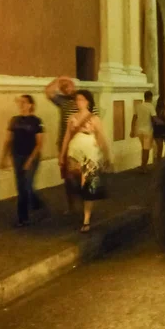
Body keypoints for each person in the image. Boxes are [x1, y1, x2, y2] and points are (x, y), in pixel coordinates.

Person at [59, 90, 110, 232]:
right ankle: (80, 206)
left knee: (88, 186)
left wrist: (106, 155)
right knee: (73, 182)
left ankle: (86, 219)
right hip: (74, 152)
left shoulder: (94, 119)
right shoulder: (72, 118)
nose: (78, 102)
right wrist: (62, 154)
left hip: (90, 153)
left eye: (81, 99)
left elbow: (101, 137)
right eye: (77, 100)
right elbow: (67, 137)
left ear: (87, 101)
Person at [46, 75, 98, 213]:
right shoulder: (62, 101)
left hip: (84, 146)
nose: (66, 89)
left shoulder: (85, 101)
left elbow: (96, 122)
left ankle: (84, 204)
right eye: (63, 88)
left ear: (73, 86)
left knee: (83, 176)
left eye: (68, 86)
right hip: (66, 144)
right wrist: (59, 79)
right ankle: (71, 206)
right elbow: (48, 91)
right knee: (68, 179)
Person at [0, 95, 45, 227]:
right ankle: (23, 216)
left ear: (31, 105)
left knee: (27, 185)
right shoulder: (14, 120)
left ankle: (31, 208)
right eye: (20, 103)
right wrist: (4, 157)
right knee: (21, 187)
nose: (21, 105)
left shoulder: (36, 121)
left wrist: (30, 160)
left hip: (31, 156)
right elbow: (9, 140)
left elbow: (39, 143)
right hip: (17, 155)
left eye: (24, 102)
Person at [130, 90, 156, 173]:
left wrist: (132, 130)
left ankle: (143, 165)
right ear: (150, 98)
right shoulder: (151, 106)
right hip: (147, 131)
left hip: (139, 130)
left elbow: (134, 119)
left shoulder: (138, 106)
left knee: (143, 149)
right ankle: (143, 167)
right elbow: (154, 118)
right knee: (146, 149)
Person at [152, 96, 165, 162]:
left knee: (159, 148)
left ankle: (159, 162)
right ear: (164, 103)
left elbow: (153, 121)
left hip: (157, 131)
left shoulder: (155, 111)